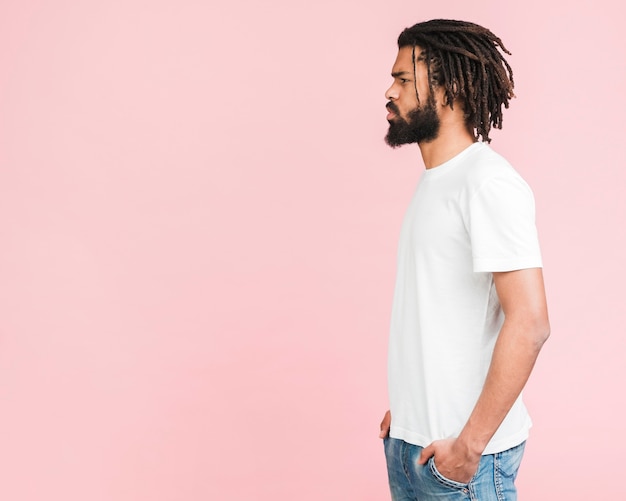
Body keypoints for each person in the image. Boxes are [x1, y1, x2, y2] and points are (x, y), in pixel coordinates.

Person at [379, 19, 550, 501]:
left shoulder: (487, 183)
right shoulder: (437, 182)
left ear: (448, 87)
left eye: (403, 79)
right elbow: (438, 310)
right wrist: (410, 411)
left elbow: (531, 321)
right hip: (413, 443)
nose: (389, 91)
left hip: (460, 461)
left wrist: (469, 447)